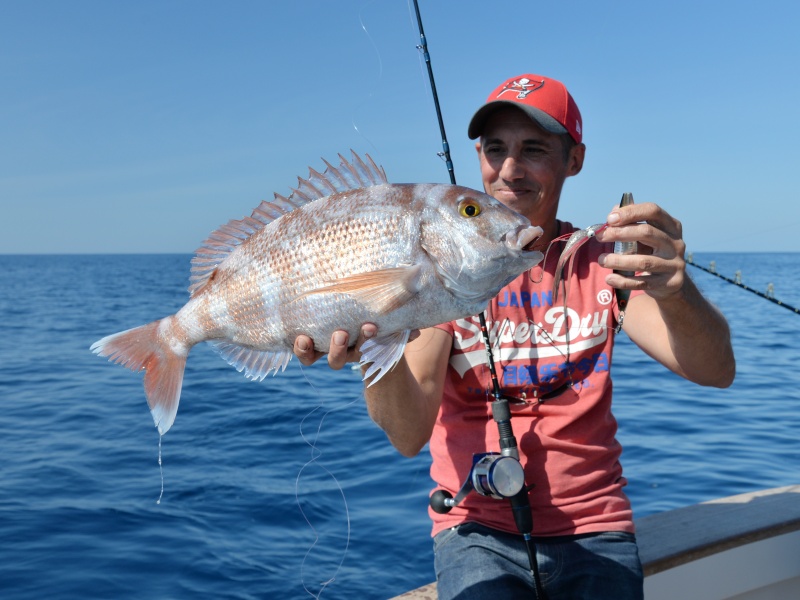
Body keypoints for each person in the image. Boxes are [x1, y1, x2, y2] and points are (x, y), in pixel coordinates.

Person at [293, 73, 735, 599]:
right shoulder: (440, 272)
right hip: (474, 530)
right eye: (495, 148)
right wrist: (373, 348)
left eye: (533, 150)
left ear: (574, 160)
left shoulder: (605, 265)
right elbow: (408, 434)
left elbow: (715, 371)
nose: (508, 170)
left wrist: (675, 290)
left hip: (596, 525)